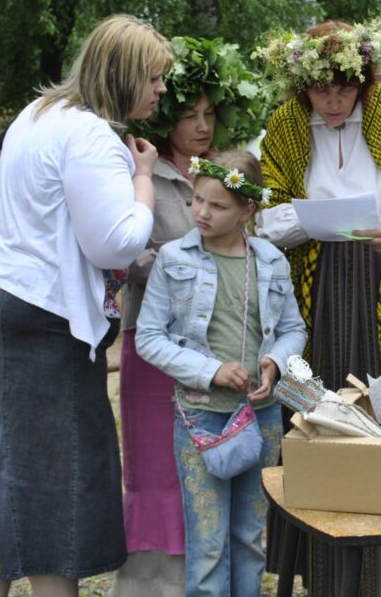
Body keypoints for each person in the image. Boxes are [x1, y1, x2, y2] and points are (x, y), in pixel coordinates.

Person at [0, 14, 172, 597]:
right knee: (57, 478)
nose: (162, 89)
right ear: (123, 76)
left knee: (2, 469)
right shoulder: (92, 136)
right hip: (45, 321)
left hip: (1, 301)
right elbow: (115, 241)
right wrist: (143, 179)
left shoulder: (39, 113)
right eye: (155, 77)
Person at [254, 19, 381, 596]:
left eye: (345, 87)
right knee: (317, 419)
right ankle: (325, 574)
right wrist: (308, 222)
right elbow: (263, 218)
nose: (333, 100)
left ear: (364, 79)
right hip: (315, 295)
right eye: (322, 89)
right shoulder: (287, 127)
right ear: (303, 86)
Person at [112, 37, 267, 596]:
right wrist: (191, 260)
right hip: (153, 342)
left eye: (209, 114)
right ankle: (152, 587)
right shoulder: (141, 172)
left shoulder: (223, 172)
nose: (202, 125)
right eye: (188, 115)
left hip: (216, 346)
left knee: (213, 468)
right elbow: (124, 255)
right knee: (155, 469)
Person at [135, 150, 307, 597]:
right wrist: (210, 371)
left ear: (249, 210)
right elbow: (149, 337)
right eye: (197, 200)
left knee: (249, 539)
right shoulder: (174, 259)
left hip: (261, 419)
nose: (202, 213)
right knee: (208, 542)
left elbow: (292, 329)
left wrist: (276, 363)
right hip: (202, 419)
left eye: (218, 205)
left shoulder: (270, 261)